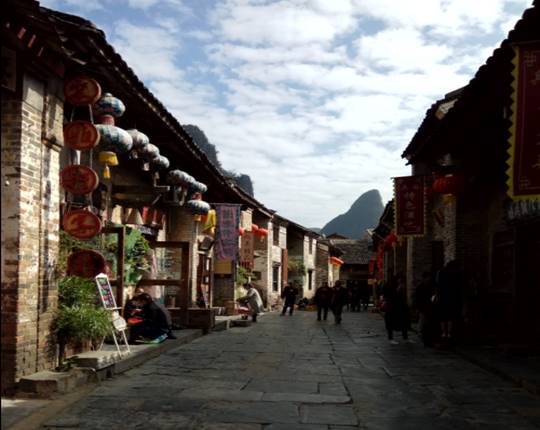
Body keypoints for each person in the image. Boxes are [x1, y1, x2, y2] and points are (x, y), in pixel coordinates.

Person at [435, 260, 463, 341]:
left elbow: (437, 285)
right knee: (450, 317)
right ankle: (449, 333)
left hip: (442, 297)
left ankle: (444, 333)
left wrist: (437, 295)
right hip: (451, 298)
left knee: (442, 317)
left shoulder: (440, 272)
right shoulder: (455, 273)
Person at [382, 274, 411, 344]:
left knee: (404, 323)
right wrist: (398, 289)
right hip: (392, 307)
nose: (400, 281)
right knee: (391, 324)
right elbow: (389, 295)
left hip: (401, 307)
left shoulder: (401, 285)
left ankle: (405, 338)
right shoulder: (390, 285)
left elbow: (403, 296)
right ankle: (391, 338)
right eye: (399, 279)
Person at [413, 271, 437, 347]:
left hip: (429, 307)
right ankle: (422, 335)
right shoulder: (420, 287)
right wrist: (417, 308)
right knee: (423, 322)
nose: (428, 279)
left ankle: (426, 337)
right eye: (427, 277)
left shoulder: (430, 286)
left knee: (427, 323)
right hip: (423, 307)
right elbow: (417, 298)